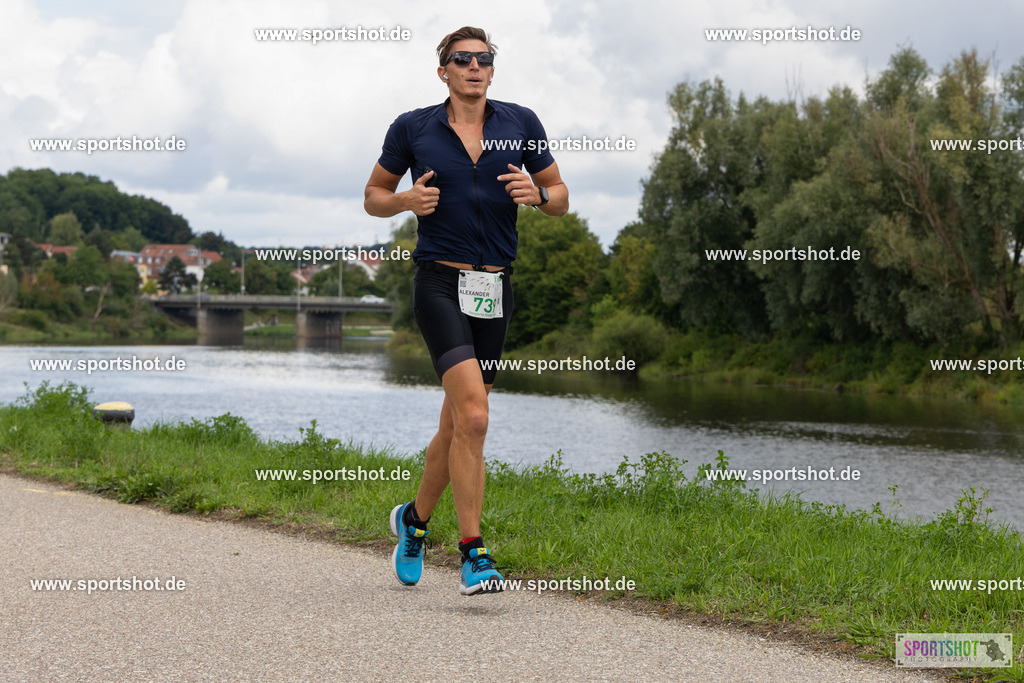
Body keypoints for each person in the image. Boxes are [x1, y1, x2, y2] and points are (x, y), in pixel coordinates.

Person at [363, 26, 568, 595]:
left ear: (492, 70)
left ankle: (414, 522)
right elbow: (373, 196)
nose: (474, 67)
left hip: (495, 290)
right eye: (462, 59)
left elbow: (561, 196)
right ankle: (474, 552)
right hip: (439, 284)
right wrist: (404, 200)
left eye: (483, 59)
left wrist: (541, 197)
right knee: (475, 416)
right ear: (443, 70)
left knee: (456, 422)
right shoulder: (413, 128)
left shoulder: (520, 123)